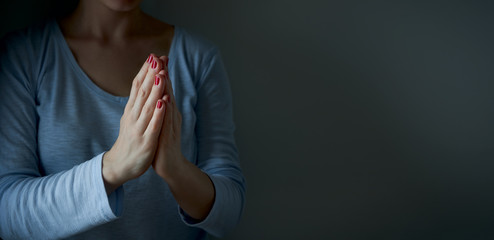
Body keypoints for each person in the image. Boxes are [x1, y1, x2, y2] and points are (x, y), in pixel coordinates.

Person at [0, 0, 245, 238]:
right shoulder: (22, 56)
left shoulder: (199, 58)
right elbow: (6, 213)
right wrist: (114, 166)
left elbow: (229, 213)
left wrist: (175, 169)